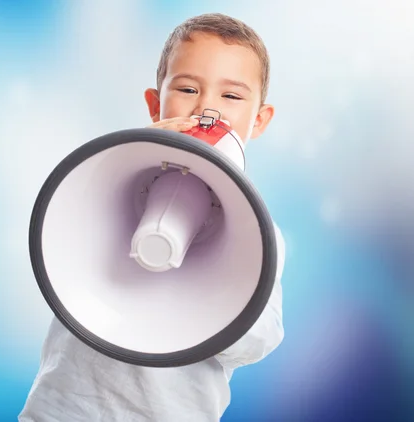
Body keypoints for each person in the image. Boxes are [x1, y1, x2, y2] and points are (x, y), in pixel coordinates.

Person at [19, 12, 286, 422]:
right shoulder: (104, 176)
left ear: (260, 119)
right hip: (61, 410)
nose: (207, 109)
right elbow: (62, 248)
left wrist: (223, 296)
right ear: (154, 103)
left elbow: (259, 340)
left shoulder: (261, 234)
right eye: (187, 87)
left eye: (231, 96)